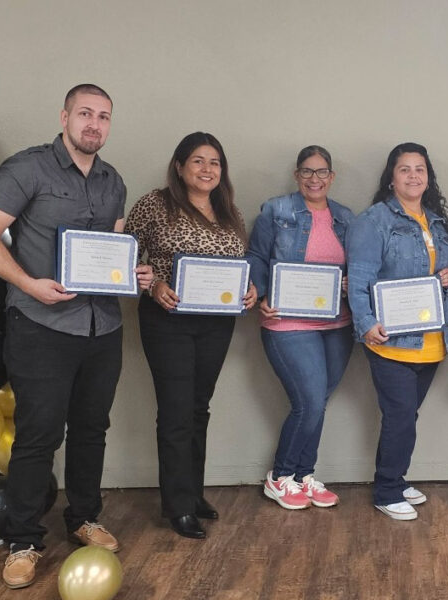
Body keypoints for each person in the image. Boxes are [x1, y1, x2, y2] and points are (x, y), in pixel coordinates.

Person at [0, 84, 153, 589]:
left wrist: (132, 274)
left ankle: (84, 518)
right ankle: (23, 541)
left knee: (93, 428)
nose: (95, 124)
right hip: (40, 325)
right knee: (38, 436)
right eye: (86, 113)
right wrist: (29, 284)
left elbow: (109, 250)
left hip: (102, 326)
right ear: (65, 115)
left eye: (104, 117)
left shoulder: (114, 181)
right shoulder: (27, 169)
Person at [124, 132, 256, 539]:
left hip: (217, 322)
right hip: (169, 320)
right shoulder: (155, 204)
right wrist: (154, 285)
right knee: (177, 411)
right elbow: (125, 256)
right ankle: (178, 506)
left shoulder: (229, 210)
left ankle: (193, 494)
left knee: (199, 408)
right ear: (180, 166)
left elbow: (240, 262)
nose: (207, 169)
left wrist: (248, 289)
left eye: (214, 162)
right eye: (197, 161)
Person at [346, 142, 448, 521]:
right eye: (404, 169)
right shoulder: (373, 221)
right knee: (400, 417)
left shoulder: (437, 222)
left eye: (420, 169)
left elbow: (445, 276)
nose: (413, 176)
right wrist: (366, 325)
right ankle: (387, 489)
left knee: (406, 416)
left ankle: (394, 477)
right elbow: (359, 280)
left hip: (431, 340)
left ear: (428, 178)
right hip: (391, 340)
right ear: (391, 179)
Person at [246, 146, 355, 510]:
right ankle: (279, 477)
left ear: (332, 177)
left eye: (322, 172)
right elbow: (258, 256)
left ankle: (303, 476)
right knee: (308, 402)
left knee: (317, 403)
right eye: (307, 172)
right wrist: (260, 292)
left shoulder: (345, 217)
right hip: (287, 323)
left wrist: (348, 283)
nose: (314, 179)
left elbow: (359, 264)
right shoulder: (276, 210)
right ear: (297, 175)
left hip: (336, 324)